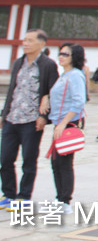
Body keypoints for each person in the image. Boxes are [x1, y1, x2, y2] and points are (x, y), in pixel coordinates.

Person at [1, 29, 59, 211]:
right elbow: (13, 90)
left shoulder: (48, 65)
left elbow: (52, 93)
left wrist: (44, 116)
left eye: (30, 40)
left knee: (28, 160)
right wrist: (4, 114)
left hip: (32, 121)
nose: (25, 43)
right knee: (5, 159)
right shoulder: (18, 63)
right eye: (24, 40)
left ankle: (24, 196)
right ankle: (8, 194)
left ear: (41, 44)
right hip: (12, 118)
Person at [48, 44, 87, 215]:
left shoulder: (75, 76)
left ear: (74, 56)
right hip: (60, 122)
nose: (61, 56)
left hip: (68, 123)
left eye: (66, 54)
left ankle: (65, 201)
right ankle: (60, 198)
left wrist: (63, 123)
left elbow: (79, 101)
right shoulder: (64, 75)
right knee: (56, 162)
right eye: (60, 53)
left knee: (63, 162)